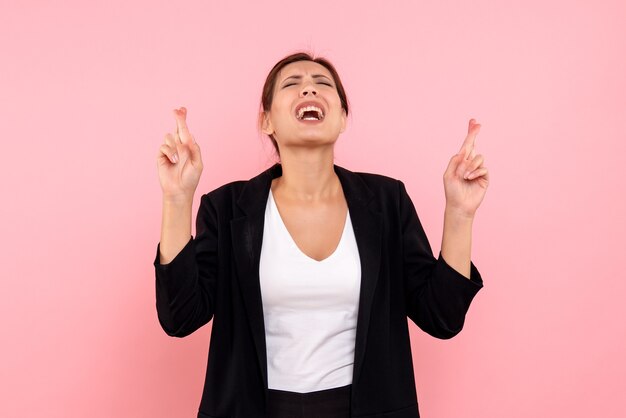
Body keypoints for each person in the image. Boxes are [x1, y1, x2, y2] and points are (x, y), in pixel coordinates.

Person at [154, 51, 488, 418]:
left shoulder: (387, 202)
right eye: (292, 84)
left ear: (343, 118)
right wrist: (177, 198)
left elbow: (442, 316)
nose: (309, 89)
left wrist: (459, 213)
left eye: (323, 84)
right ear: (267, 121)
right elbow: (180, 318)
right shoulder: (228, 208)